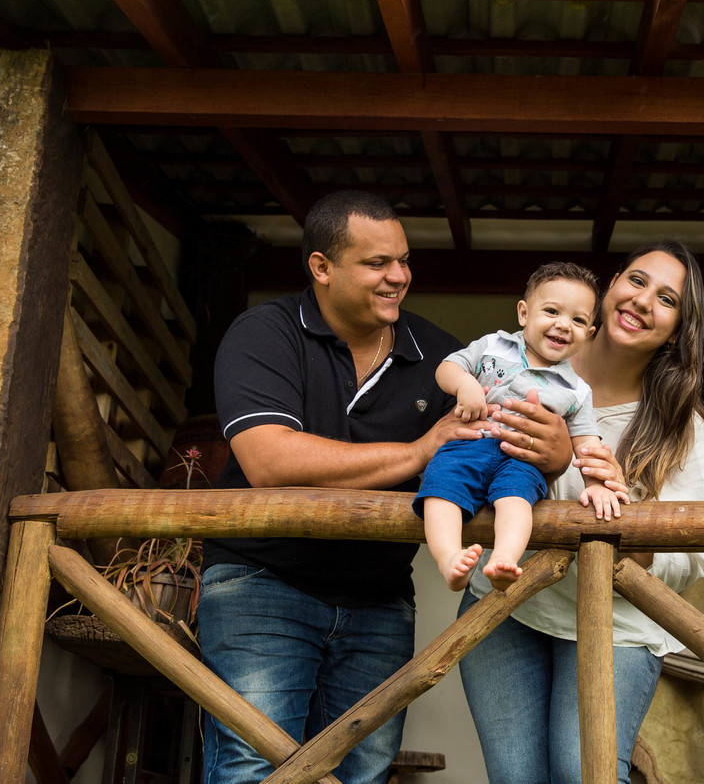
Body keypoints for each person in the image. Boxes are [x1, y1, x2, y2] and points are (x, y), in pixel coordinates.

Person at [198, 190, 573, 784]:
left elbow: (490, 458)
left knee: (362, 773)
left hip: (379, 598)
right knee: (253, 767)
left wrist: (557, 455)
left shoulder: (443, 356)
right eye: (377, 264)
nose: (399, 276)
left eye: (403, 260)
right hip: (260, 582)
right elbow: (268, 459)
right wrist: (419, 451)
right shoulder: (264, 332)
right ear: (321, 267)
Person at [458, 239, 704, 784]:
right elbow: (467, 464)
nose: (645, 301)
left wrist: (583, 484)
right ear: (610, 287)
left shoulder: (680, 425)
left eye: (668, 299)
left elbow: (695, 558)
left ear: (677, 330)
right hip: (508, 602)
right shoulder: (516, 366)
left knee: (586, 776)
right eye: (638, 281)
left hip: (616, 627)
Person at [414, 262, 627, 592]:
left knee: (517, 501)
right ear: (524, 313)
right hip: (470, 443)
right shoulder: (492, 346)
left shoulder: (577, 390)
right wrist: (464, 385)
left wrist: (596, 484)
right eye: (552, 311)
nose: (563, 325)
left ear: (589, 335)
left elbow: (587, 444)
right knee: (441, 486)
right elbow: (447, 368)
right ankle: (448, 558)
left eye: (578, 320)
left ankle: (504, 559)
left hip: (523, 461)